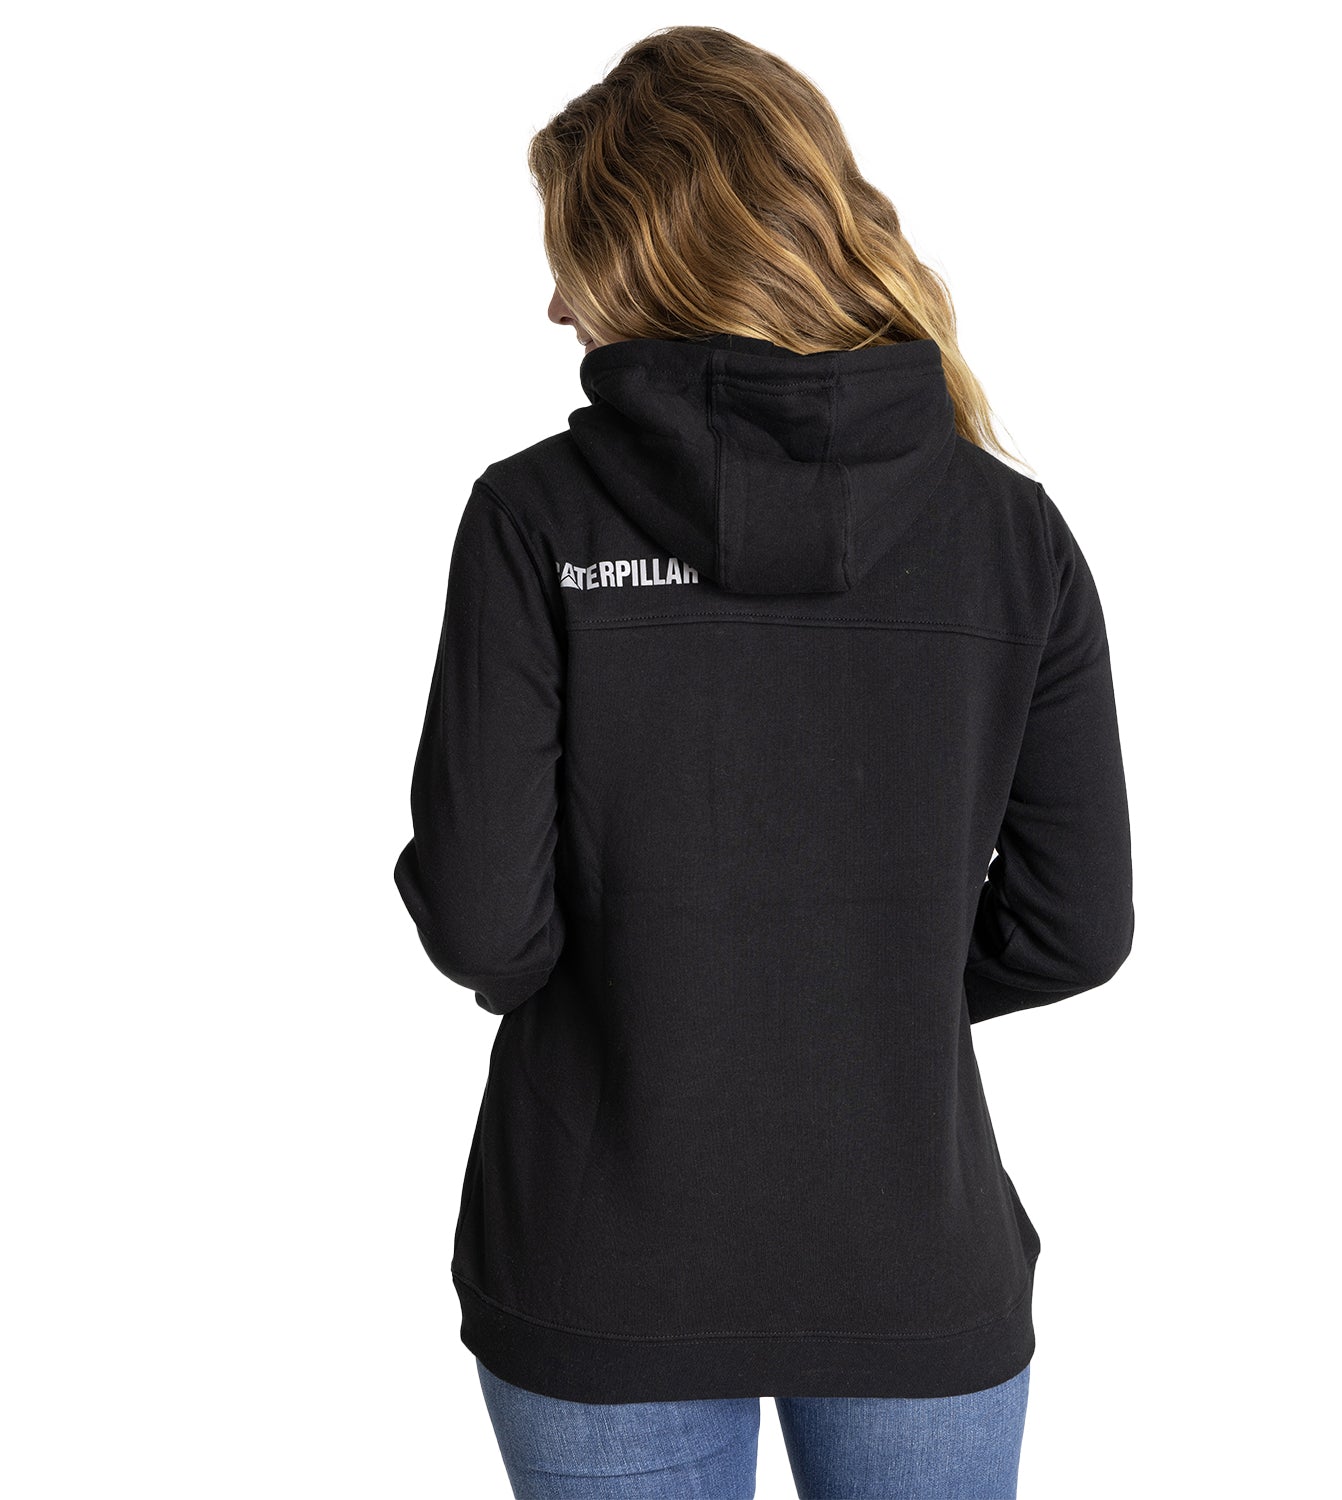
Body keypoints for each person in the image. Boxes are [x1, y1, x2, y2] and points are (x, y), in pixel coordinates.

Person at [393, 24, 1133, 1500]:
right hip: (915, 1260)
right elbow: (1076, 928)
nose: (554, 305)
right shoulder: (1012, 534)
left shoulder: (535, 521)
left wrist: (666, 982)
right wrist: (872, 988)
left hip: (600, 1261)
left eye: (575, 260)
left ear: (655, 260)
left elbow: (483, 923)